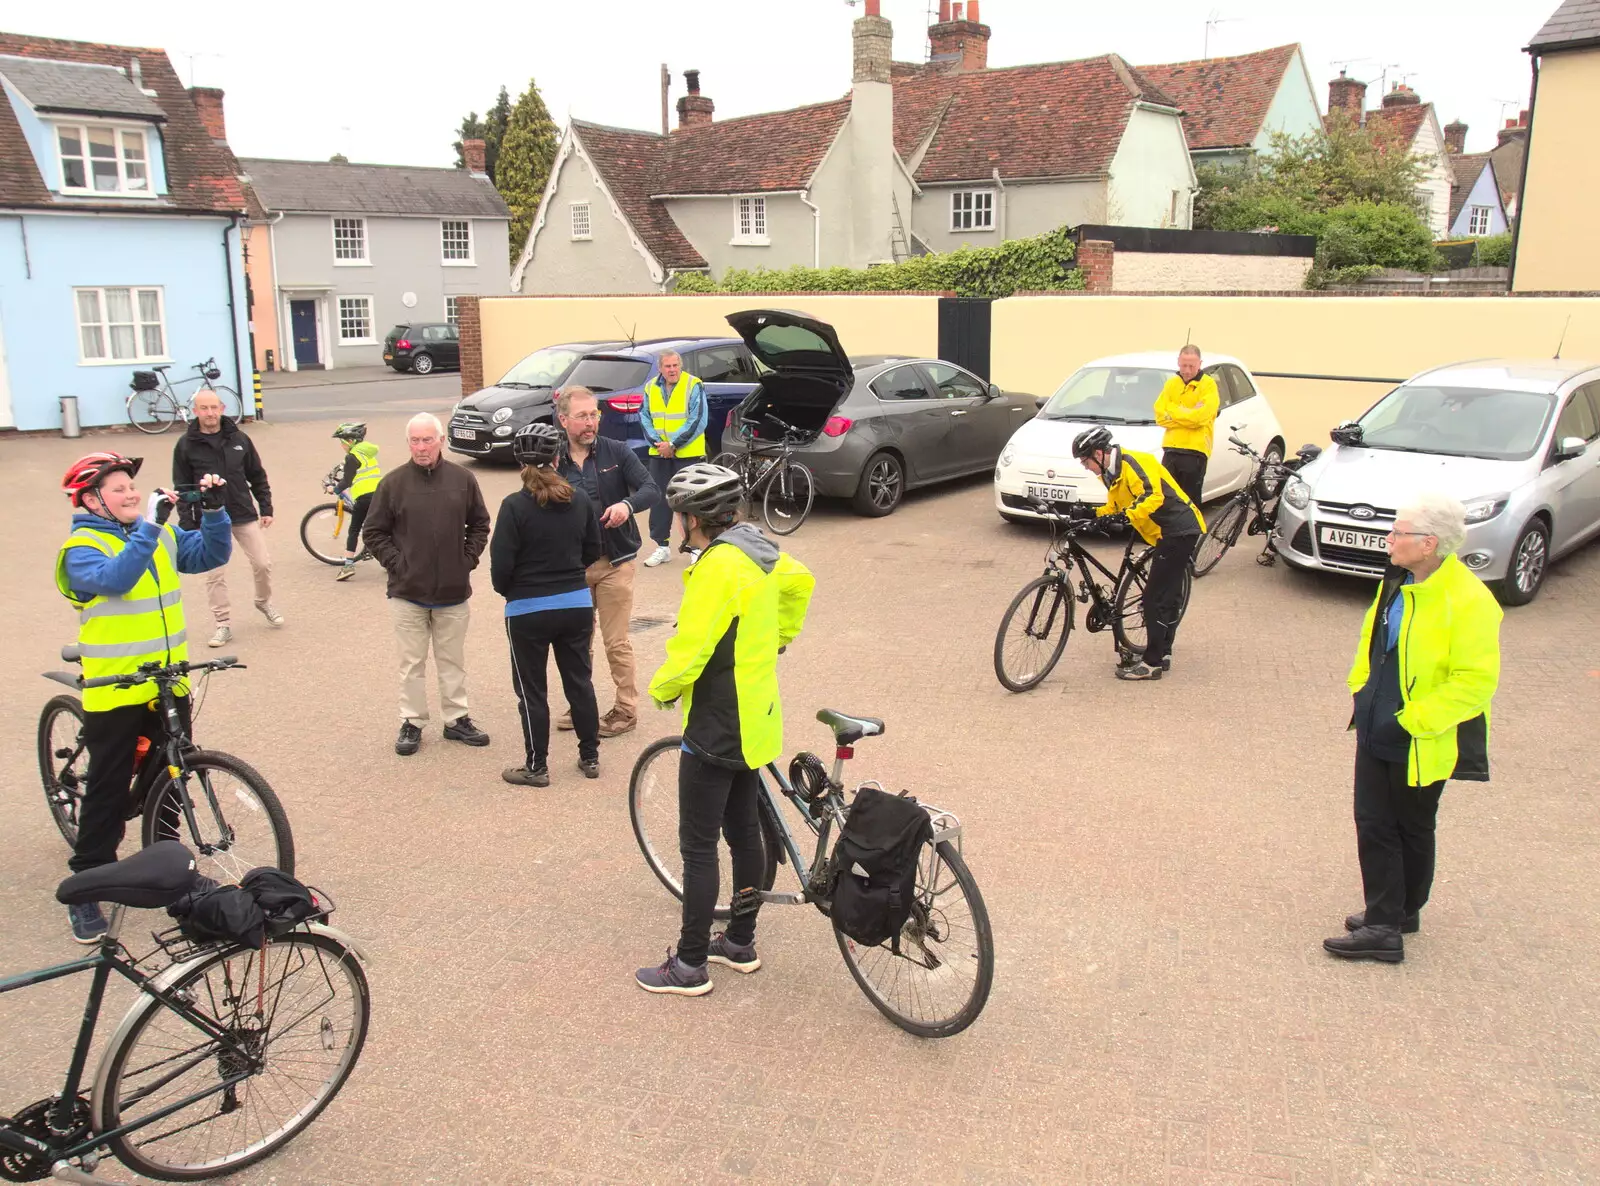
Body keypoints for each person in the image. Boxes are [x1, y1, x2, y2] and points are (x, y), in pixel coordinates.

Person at [635, 463, 815, 995]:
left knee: (697, 845)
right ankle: (739, 940)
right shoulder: (759, 551)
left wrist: (663, 688)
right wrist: (778, 636)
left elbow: (692, 646)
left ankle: (689, 965)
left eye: (678, 515)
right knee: (742, 834)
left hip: (717, 720)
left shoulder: (718, 567)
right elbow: (801, 583)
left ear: (693, 519)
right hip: (756, 716)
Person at [55, 452, 233, 942]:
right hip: (115, 688)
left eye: (131, 486)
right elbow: (116, 580)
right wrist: (151, 528)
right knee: (109, 788)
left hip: (167, 679)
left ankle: (167, 868)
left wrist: (217, 512)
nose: (131, 493)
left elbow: (210, 556)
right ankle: (87, 882)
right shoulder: (81, 546)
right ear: (92, 500)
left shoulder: (158, 533)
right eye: (118, 489)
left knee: (172, 778)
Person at [1324, 493, 1502, 964]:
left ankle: (1383, 928)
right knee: (1387, 822)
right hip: (1376, 719)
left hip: (1419, 733)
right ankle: (1399, 912)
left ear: (1429, 544)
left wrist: (1412, 722)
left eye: (1398, 533)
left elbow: (1475, 681)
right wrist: (1359, 688)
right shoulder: (1399, 580)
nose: (1389, 539)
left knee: (1395, 825)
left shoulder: (1468, 600)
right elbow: (1373, 638)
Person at [361, 412, 492, 757]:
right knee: (411, 663)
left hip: (452, 592)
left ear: (441, 441)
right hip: (407, 593)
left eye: (427, 440)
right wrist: (397, 563)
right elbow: (373, 532)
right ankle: (412, 722)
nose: (421, 447)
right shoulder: (393, 483)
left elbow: (480, 524)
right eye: (415, 441)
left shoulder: (463, 479)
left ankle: (457, 719)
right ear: (408, 444)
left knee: (452, 660)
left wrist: (466, 561)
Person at [491, 422, 604, 786]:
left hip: (527, 609)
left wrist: (514, 590)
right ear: (558, 457)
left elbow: (500, 567)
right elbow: (593, 549)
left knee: (531, 690)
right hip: (575, 604)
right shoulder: (581, 499)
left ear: (520, 464)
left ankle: (537, 766)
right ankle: (590, 756)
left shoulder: (513, 507)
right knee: (579, 682)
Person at [552, 385, 659, 737]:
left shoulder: (617, 451)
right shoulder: (553, 459)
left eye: (594, 415)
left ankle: (626, 710)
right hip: (573, 567)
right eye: (582, 416)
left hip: (616, 562)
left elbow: (649, 489)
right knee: (578, 642)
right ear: (563, 419)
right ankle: (582, 703)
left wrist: (626, 505)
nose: (590, 422)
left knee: (616, 642)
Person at [1070, 426, 1203, 682]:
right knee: (1166, 593)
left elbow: (1153, 496)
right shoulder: (1110, 473)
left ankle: (1152, 664)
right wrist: (1090, 513)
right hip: (1161, 532)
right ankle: (1164, 653)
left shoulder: (1136, 461)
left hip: (1179, 528)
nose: (1085, 467)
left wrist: (1126, 517)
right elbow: (1115, 505)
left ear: (1099, 453)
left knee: (1155, 600)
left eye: (1085, 461)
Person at [171, 388, 281, 646]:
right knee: (214, 574)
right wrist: (189, 524)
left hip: (243, 512)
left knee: (263, 563)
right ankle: (222, 624)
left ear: (221, 409)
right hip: (208, 519)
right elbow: (182, 487)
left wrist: (266, 507)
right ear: (195, 412)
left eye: (214, 408)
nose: (210, 413)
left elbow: (257, 475)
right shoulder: (186, 445)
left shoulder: (239, 438)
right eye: (204, 408)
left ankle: (263, 602)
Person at [640, 350, 708, 568]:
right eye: (667, 366)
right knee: (659, 501)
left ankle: (696, 548)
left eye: (675, 366)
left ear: (681, 365)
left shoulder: (693, 385)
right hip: (660, 454)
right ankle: (662, 547)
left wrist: (674, 444)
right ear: (660, 368)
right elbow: (645, 418)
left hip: (688, 453)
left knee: (691, 501)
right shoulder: (651, 387)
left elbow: (698, 420)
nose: (672, 370)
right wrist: (659, 445)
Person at [1153, 344, 1219, 508]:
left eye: (1192, 366)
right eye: (1184, 365)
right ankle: (1169, 533)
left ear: (1200, 364)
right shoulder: (1171, 384)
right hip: (1171, 449)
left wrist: (1173, 411)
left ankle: (1192, 533)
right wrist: (1187, 412)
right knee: (1166, 499)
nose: (1187, 370)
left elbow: (1200, 419)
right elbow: (1160, 416)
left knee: (1189, 501)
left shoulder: (1208, 385)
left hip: (1195, 452)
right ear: (1178, 362)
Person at [331, 422, 382, 582]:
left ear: (351, 441)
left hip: (364, 497)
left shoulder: (352, 456)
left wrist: (336, 490)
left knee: (354, 529)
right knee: (377, 525)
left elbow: (347, 480)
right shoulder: (367, 451)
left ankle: (347, 566)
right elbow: (359, 467)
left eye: (342, 441)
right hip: (379, 493)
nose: (341, 445)